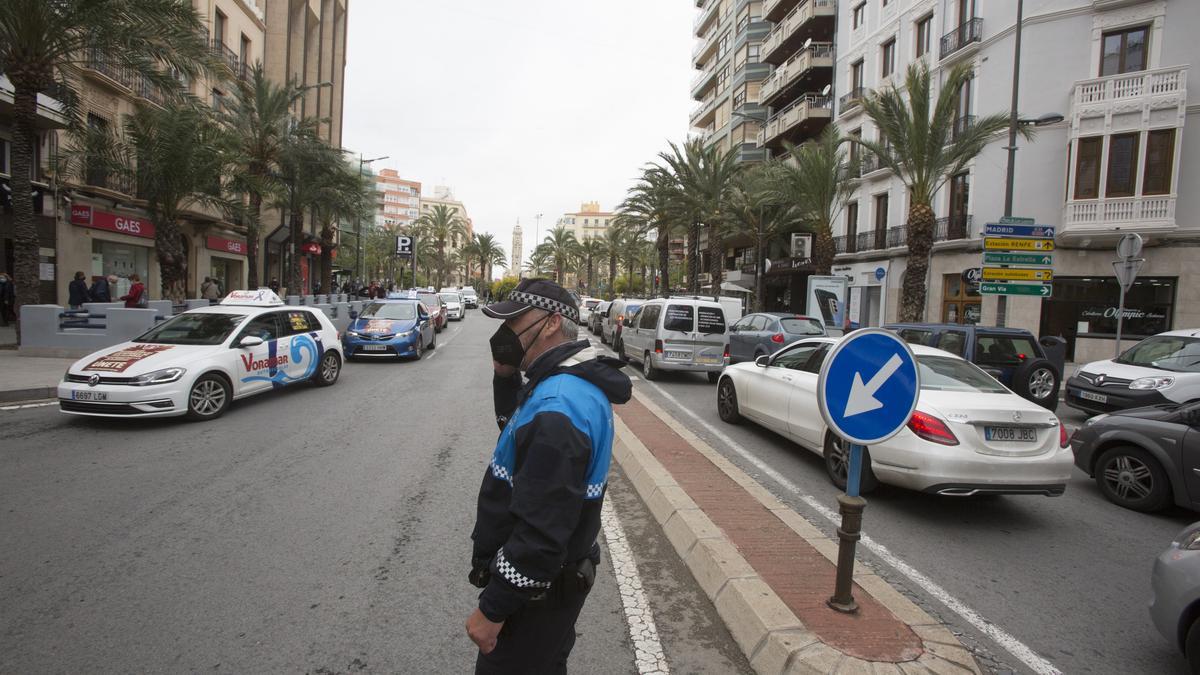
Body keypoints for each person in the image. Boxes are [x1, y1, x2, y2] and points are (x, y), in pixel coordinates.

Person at [466, 278, 631, 674]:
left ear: (552, 323)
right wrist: (504, 377)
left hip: (536, 594)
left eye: (515, 322)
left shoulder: (558, 404)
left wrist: (493, 609)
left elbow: (541, 533)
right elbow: (517, 436)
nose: (505, 332)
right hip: (555, 587)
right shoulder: (564, 384)